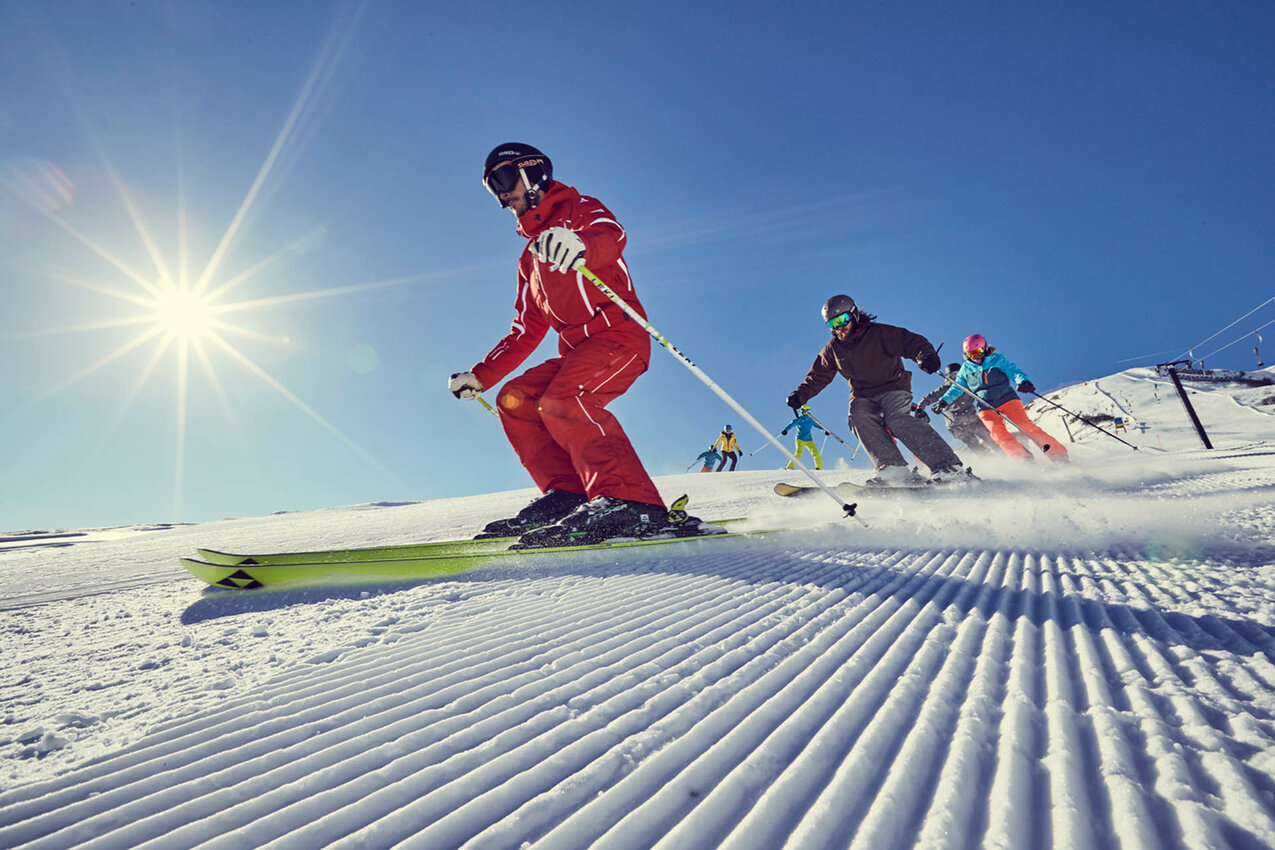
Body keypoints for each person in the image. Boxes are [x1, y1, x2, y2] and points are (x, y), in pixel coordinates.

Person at [449, 143, 704, 546]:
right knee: (515, 399)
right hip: (577, 353)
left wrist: (581, 245)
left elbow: (612, 236)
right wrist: (481, 376)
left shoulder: (580, 210)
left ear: (533, 173)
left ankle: (630, 501)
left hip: (619, 339)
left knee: (565, 401)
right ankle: (568, 494)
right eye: (490, 188)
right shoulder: (529, 259)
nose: (500, 194)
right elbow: (525, 330)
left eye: (502, 179)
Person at [785, 295, 970, 486]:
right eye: (832, 323)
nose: (839, 327)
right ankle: (893, 468)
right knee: (857, 417)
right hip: (862, 394)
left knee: (897, 420)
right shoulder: (833, 349)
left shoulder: (879, 333)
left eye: (842, 320)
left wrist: (926, 356)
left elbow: (912, 342)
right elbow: (818, 376)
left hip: (893, 386)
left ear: (854, 314)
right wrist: (801, 394)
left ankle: (948, 467)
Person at [933, 334, 1069, 462]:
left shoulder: (997, 360)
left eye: (978, 352)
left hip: (1007, 399)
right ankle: (1023, 458)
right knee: (997, 434)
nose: (976, 357)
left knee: (1025, 426)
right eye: (971, 354)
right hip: (985, 406)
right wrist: (944, 401)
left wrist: (1023, 381)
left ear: (985, 348)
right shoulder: (966, 369)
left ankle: (1058, 454)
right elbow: (957, 388)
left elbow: (1014, 371)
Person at [915, 364, 999, 455]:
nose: (954, 379)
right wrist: (920, 408)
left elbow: (983, 392)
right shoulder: (946, 389)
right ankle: (986, 457)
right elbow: (930, 397)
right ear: (947, 378)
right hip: (955, 422)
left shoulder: (968, 387)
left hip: (971, 418)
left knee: (987, 435)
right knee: (971, 440)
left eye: (957, 375)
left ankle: (1001, 451)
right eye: (951, 376)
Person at [782, 403, 826, 470]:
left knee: (816, 453)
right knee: (798, 453)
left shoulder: (811, 420)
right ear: (802, 411)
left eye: (808, 411)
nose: (807, 413)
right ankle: (790, 467)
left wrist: (825, 431)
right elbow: (791, 424)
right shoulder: (799, 419)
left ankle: (819, 468)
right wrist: (785, 430)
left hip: (809, 440)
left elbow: (819, 426)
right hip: (800, 439)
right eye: (805, 411)